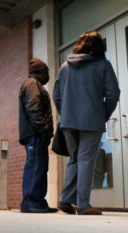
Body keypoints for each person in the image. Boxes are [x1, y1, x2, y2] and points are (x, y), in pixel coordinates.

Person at [53, 31, 120, 215]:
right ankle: (82, 204)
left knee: (74, 159)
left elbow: (56, 96)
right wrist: (103, 115)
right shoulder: (103, 65)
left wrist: (65, 113)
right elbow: (113, 94)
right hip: (91, 120)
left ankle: (66, 199)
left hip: (68, 121)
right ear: (99, 47)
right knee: (86, 160)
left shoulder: (64, 66)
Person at [19, 58, 57, 214]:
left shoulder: (34, 84)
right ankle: (30, 202)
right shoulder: (32, 84)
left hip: (37, 133)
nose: (48, 74)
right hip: (35, 134)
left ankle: (39, 202)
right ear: (40, 71)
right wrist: (43, 130)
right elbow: (33, 109)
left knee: (40, 168)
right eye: (46, 71)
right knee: (35, 167)